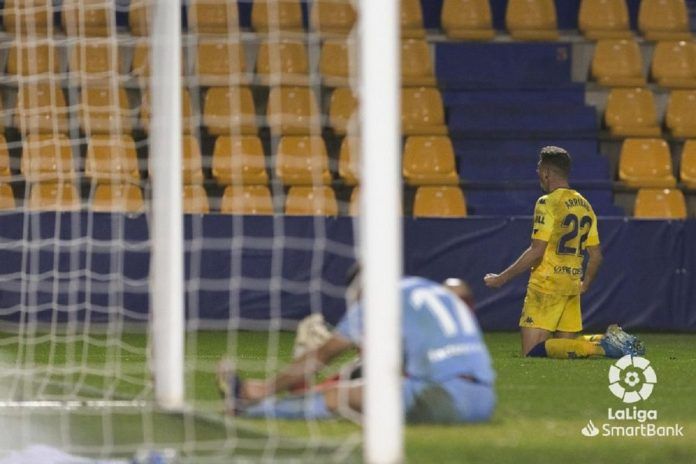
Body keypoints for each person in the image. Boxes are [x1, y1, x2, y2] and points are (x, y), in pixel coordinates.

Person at [217, 269, 496, 423]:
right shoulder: (429, 289)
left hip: (443, 399)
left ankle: (248, 409)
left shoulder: (376, 299)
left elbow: (322, 356)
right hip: (485, 399)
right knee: (370, 391)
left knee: (337, 397)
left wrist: (267, 387)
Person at [483, 146, 644, 359]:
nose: (537, 173)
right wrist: (584, 284)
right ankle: (606, 339)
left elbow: (536, 251)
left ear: (547, 173)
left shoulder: (547, 203)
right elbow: (596, 256)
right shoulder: (585, 206)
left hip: (546, 286)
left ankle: (602, 346)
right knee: (564, 350)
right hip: (570, 286)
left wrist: (501, 279)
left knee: (532, 354)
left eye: (539, 168)